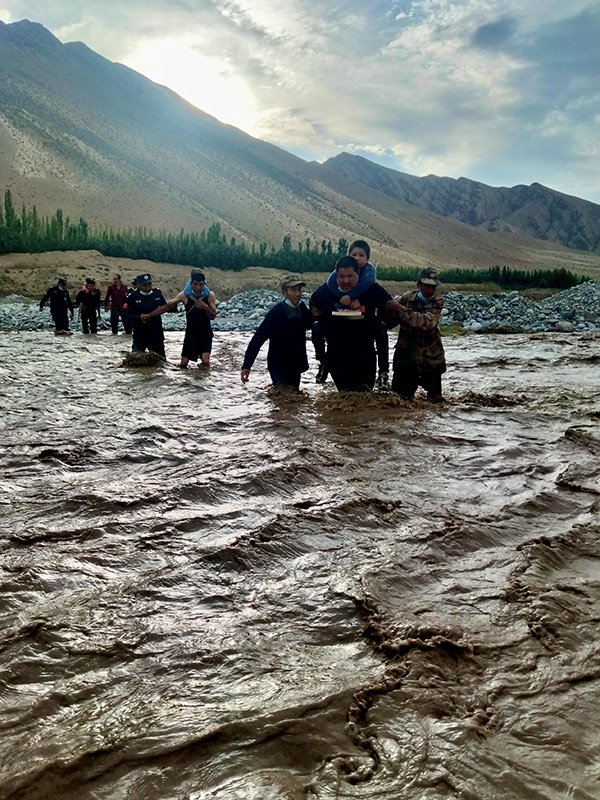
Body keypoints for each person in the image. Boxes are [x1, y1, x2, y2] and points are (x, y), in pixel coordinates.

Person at [314, 240, 389, 388]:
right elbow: (313, 301)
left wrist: (378, 320)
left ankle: (384, 372)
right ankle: (323, 364)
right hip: (337, 357)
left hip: (365, 357)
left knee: (365, 401)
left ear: (358, 273)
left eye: (350, 276)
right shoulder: (327, 290)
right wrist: (317, 315)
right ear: (336, 276)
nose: (346, 281)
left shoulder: (372, 289)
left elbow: (388, 304)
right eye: (342, 277)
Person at [384, 267, 446, 401]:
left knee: (435, 403)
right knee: (397, 401)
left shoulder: (438, 302)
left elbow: (425, 322)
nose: (430, 290)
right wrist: (388, 312)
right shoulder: (407, 298)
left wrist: (399, 308)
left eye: (433, 287)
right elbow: (391, 322)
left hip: (430, 360)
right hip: (406, 358)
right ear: (418, 285)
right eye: (427, 286)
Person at [241, 274, 312, 388]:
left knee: (294, 398)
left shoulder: (302, 308)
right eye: (293, 290)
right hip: (278, 366)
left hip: (295, 365)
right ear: (284, 293)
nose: (298, 294)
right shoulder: (276, 313)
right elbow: (258, 339)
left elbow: (310, 324)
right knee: (281, 394)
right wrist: (247, 366)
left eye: (299, 290)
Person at [143, 271, 216, 368]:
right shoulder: (184, 295)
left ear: (204, 284)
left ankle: (203, 379)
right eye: (195, 284)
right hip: (191, 335)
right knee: (183, 364)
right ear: (191, 283)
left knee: (206, 362)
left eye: (201, 285)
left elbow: (213, 316)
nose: (198, 288)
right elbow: (167, 307)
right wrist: (150, 315)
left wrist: (205, 307)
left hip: (205, 334)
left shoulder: (210, 295)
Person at [122, 273, 168, 358]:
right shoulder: (132, 297)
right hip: (140, 333)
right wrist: (139, 317)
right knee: (135, 360)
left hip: (156, 333)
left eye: (149, 284)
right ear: (139, 285)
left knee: (160, 361)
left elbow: (165, 307)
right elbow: (124, 315)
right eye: (144, 285)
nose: (147, 287)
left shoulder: (157, 294)